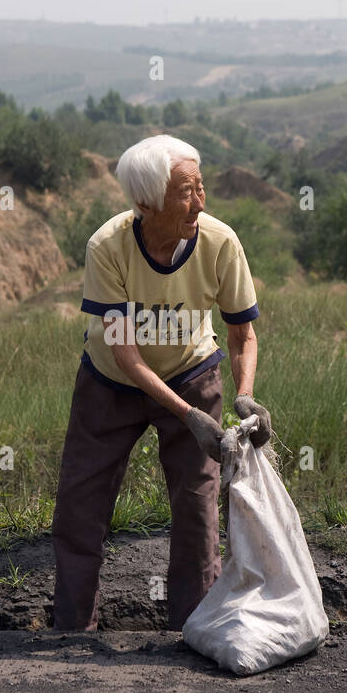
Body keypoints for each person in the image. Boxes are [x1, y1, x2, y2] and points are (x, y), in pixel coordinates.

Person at [51, 134, 271, 632]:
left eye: (201, 188)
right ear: (145, 202)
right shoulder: (108, 247)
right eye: (184, 192)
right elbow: (125, 354)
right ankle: (71, 632)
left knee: (197, 509)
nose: (199, 202)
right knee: (80, 508)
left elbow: (242, 334)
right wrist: (185, 415)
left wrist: (244, 396)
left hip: (191, 374)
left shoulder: (219, 242)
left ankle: (193, 629)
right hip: (110, 385)